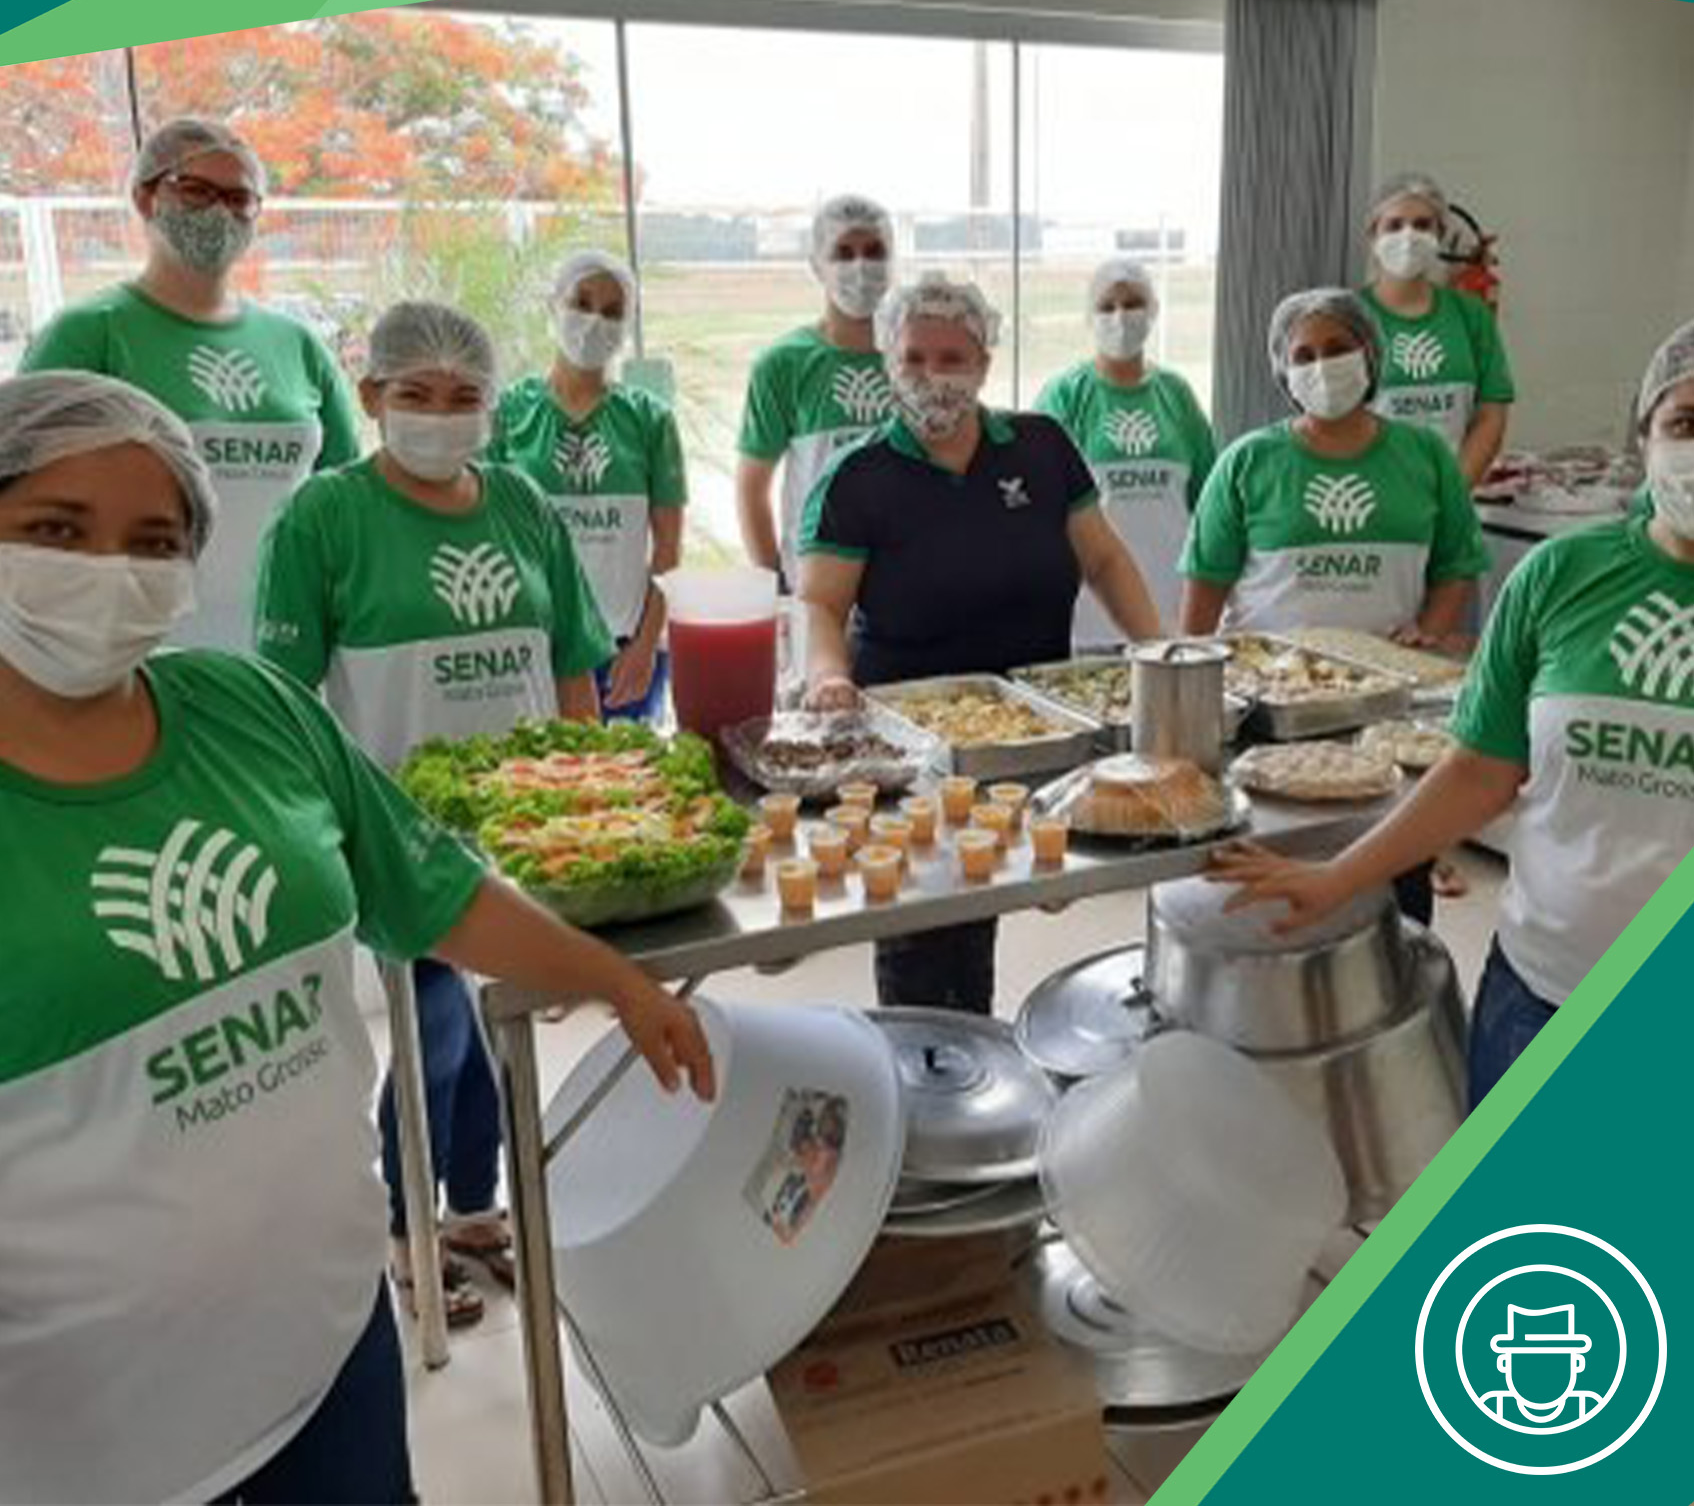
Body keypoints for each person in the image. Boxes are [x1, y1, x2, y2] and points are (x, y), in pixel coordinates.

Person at [0, 372, 710, 1506]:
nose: (110, 569)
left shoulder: (249, 712)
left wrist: (614, 980)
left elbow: (432, 887)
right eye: (55, 529)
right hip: (90, 1426)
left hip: (325, 1342)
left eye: (153, 540)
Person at [1208, 321, 1694, 1107]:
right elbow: (1478, 771)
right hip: (1541, 993)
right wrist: (1338, 877)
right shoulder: (1560, 576)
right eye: (1685, 423)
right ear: (1645, 436)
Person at [254, 301, 614, 1327]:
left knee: (498, 1029)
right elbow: (282, 700)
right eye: (415, 393)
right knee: (435, 1034)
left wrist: (588, 797)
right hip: (395, 832)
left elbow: (572, 662)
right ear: (371, 395)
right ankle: (408, 1230)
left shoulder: (521, 502)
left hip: (527, 824)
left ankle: (471, 1208)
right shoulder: (324, 517)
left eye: (464, 397)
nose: (439, 414)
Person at [799, 273, 1161, 1011]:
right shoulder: (858, 476)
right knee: (926, 927)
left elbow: (1104, 560)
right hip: (915, 746)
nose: (932, 377)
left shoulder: (1040, 447)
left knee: (999, 899)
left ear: (985, 364)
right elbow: (821, 602)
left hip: (1035, 734)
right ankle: (926, 1062)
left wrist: (1161, 651)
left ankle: (978, 1053)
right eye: (913, 359)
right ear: (888, 364)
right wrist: (828, 676)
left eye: (952, 359)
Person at [20, 116, 360, 650]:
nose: (218, 211)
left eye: (239, 198)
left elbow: (346, 498)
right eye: (196, 190)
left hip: (285, 644)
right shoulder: (91, 334)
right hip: (132, 645)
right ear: (145, 197)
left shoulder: (297, 345)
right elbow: (23, 495)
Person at [1180, 286, 1489, 645]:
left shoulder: (1426, 455)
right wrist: (1192, 664)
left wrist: (1427, 636)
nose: (1322, 367)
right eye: (1304, 356)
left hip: (1385, 670)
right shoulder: (1246, 462)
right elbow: (1205, 585)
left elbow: (1456, 566)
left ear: (1370, 353)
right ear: (1284, 371)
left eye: (1338, 350)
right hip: (1264, 669)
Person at [490, 249, 686, 721]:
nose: (595, 321)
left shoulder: (650, 420)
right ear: (553, 306)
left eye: (613, 311)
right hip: (536, 645)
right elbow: (490, 533)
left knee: (630, 765)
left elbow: (668, 550)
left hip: (624, 649)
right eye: (581, 303)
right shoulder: (508, 413)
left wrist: (645, 646)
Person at [1034, 257, 1217, 638]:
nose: (1120, 316)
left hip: (1168, 598)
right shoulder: (1066, 395)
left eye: (1133, 303)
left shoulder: (1176, 394)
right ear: (1089, 317)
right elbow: (1041, 502)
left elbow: (1207, 499)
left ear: (1152, 311)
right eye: (1107, 306)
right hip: (1090, 611)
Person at [737, 193, 896, 587]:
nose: (860, 266)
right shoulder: (784, 364)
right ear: (817, 266)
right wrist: (775, 584)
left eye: (874, 251)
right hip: (813, 583)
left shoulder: (916, 357)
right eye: (843, 253)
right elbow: (752, 488)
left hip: (904, 581)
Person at [1359, 171, 1515, 486]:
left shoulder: (1471, 315)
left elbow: (1491, 413)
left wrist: (1452, 493)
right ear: (1373, 235)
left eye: (1422, 225)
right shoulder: (1349, 317)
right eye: (1394, 225)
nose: (1408, 236)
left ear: (1439, 235)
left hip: (1450, 493)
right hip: (1372, 494)